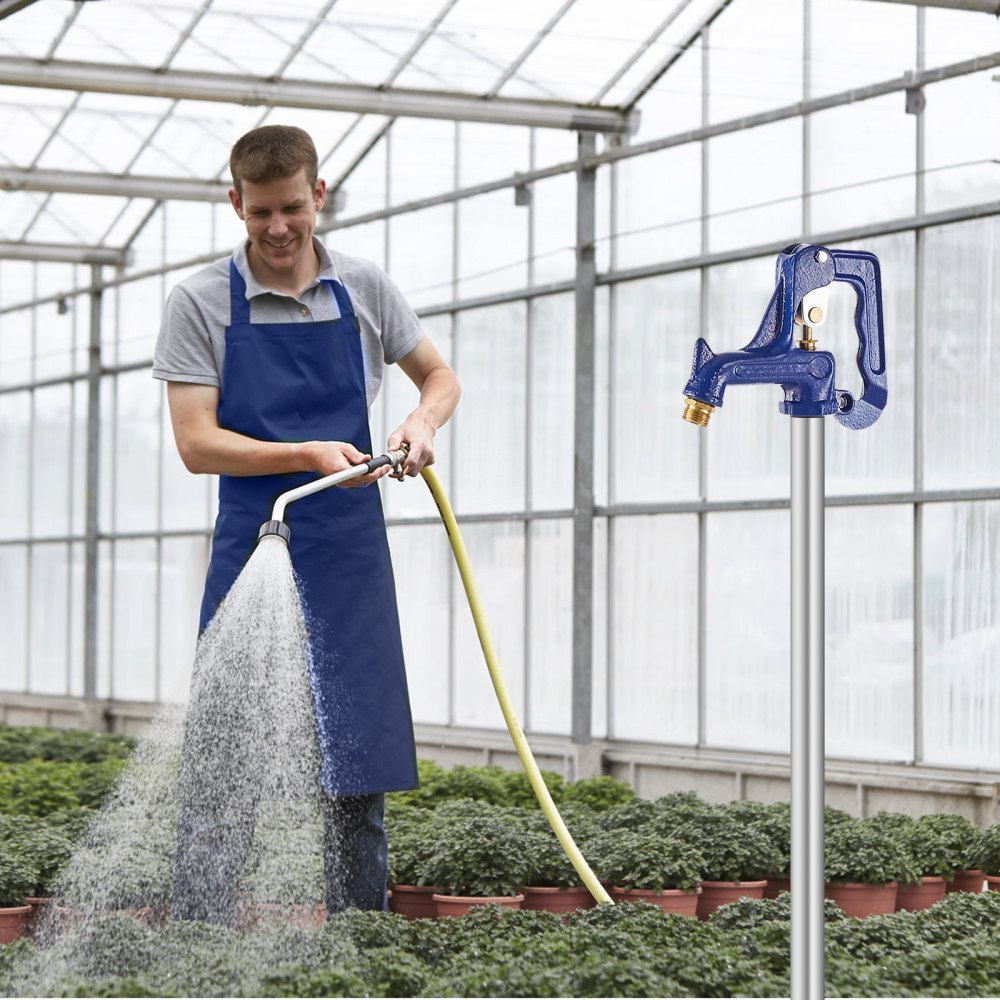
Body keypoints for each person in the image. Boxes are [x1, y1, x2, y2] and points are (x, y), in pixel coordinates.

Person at [152, 124, 460, 922]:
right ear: (235, 204)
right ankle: (198, 942)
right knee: (224, 766)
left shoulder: (363, 288)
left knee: (356, 767)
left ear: (318, 196)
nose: (279, 228)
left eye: (292, 207)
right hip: (254, 544)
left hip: (349, 552)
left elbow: (439, 377)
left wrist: (420, 424)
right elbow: (196, 443)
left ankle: (360, 943)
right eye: (260, 213)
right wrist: (303, 453)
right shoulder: (200, 302)